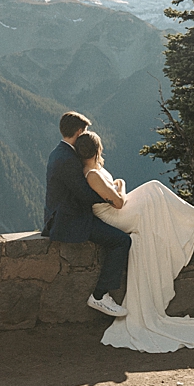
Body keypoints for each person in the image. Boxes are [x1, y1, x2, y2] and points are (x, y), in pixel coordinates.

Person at [73, 130, 194, 353]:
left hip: (116, 210)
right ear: (97, 149)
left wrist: (118, 188)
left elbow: (116, 197)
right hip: (114, 217)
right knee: (154, 189)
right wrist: (120, 187)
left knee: (154, 191)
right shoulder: (92, 174)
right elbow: (118, 203)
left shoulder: (93, 171)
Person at [43, 112, 131, 317]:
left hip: (68, 214)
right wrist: (112, 197)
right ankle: (100, 296)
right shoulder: (68, 159)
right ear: (79, 131)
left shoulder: (60, 153)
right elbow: (84, 195)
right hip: (69, 220)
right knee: (121, 241)